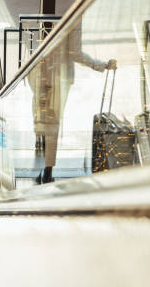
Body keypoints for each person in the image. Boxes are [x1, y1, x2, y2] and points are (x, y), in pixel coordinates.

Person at [30, 23, 117, 184]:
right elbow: (75, 53)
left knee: (40, 117)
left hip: (38, 71)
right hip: (59, 77)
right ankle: (47, 173)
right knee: (53, 124)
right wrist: (101, 65)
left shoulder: (43, 0)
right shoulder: (74, 11)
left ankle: (39, 162)